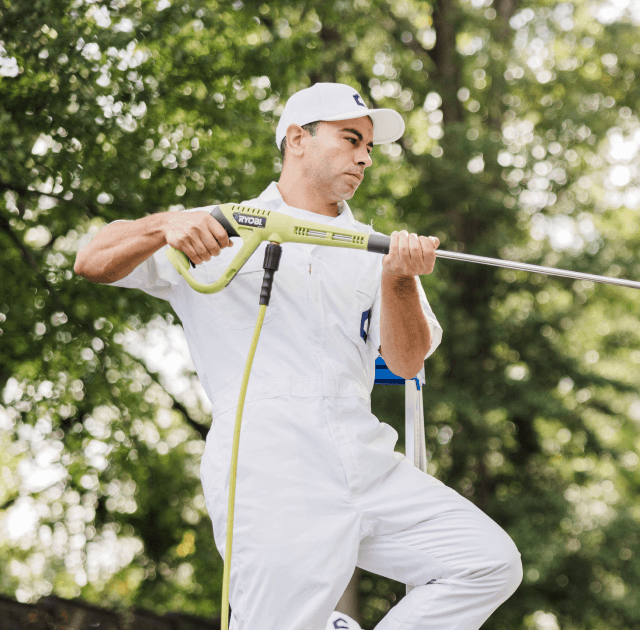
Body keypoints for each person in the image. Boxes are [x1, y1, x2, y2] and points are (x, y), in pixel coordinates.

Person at [74, 83, 522, 630]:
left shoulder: (374, 249)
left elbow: (407, 362)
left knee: (487, 562)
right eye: (351, 138)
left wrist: (399, 279)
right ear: (297, 139)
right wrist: (164, 223)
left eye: (370, 148)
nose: (363, 155)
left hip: (365, 456)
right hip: (269, 463)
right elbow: (92, 261)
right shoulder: (219, 228)